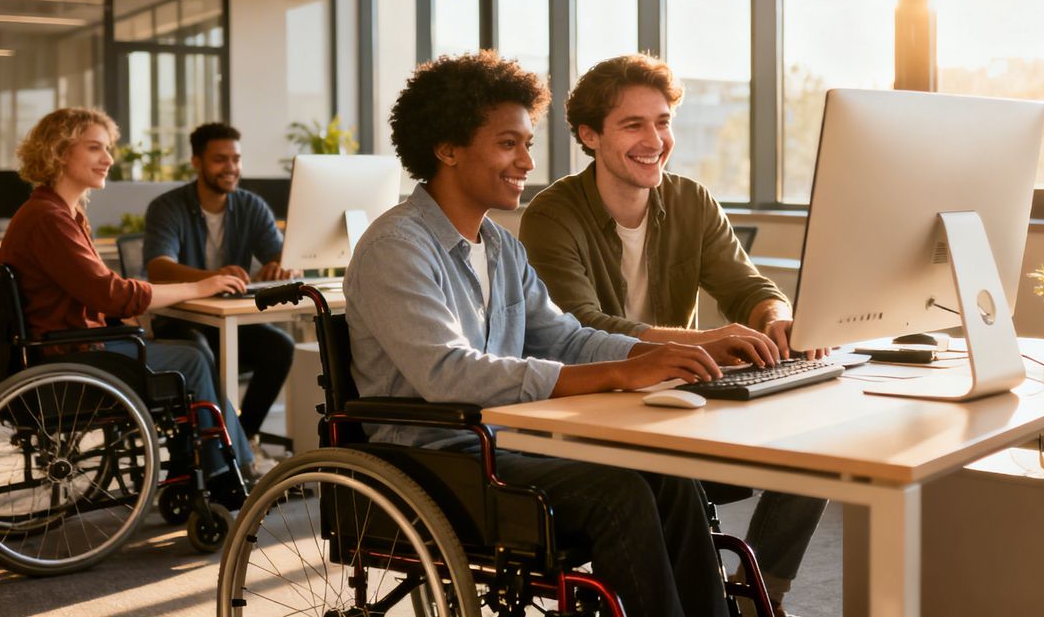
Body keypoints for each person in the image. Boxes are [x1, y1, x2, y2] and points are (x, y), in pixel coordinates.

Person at [344, 51, 777, 617]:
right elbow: (448, 373)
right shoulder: (396, 248)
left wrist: (656, 355)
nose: (527, 161)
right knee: (619, 494)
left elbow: (567, 338)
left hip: (503, 443)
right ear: (447, 149)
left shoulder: (501, 247)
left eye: (527, 144)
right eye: (509, 144)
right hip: (433, 460)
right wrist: (622, 370)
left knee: (669, 479)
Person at [520, 53, 828, 615]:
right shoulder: (551, 214)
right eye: (632, 125)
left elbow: (748, 286)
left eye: (662, 122)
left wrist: (774, 317)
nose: (654, 140)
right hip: (598, 405)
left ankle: (762, 593)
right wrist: (704, 342)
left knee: (823, 436)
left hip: (682, 397)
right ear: (589, 135)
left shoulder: (692, 201)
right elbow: (579, 326)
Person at [0, 107, 257, 502]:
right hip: (69, 355)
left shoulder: (62, 213)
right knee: (191, 358)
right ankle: (226, 473)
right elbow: (112, 294)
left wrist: (128, 309)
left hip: (65, 346)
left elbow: (97, 294)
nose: (108, 159)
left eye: (108, 148)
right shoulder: (50, 219)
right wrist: (199, 286)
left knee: (193, 348)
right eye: (95, 148)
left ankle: (216, 466)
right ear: (60, 152)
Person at [143, 122, 295, 451]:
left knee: (279, 347)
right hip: (180, 320)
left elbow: (281, 254)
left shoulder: (251, 206)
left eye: (236, 159)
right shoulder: (167, 207)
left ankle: (241, 440)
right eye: (220, 159)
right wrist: (212, 279)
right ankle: (210, 446)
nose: (231, 167)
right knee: (200, 351)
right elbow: (158, 268)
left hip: (227, 321)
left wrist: (281, 265)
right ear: (196, 162)